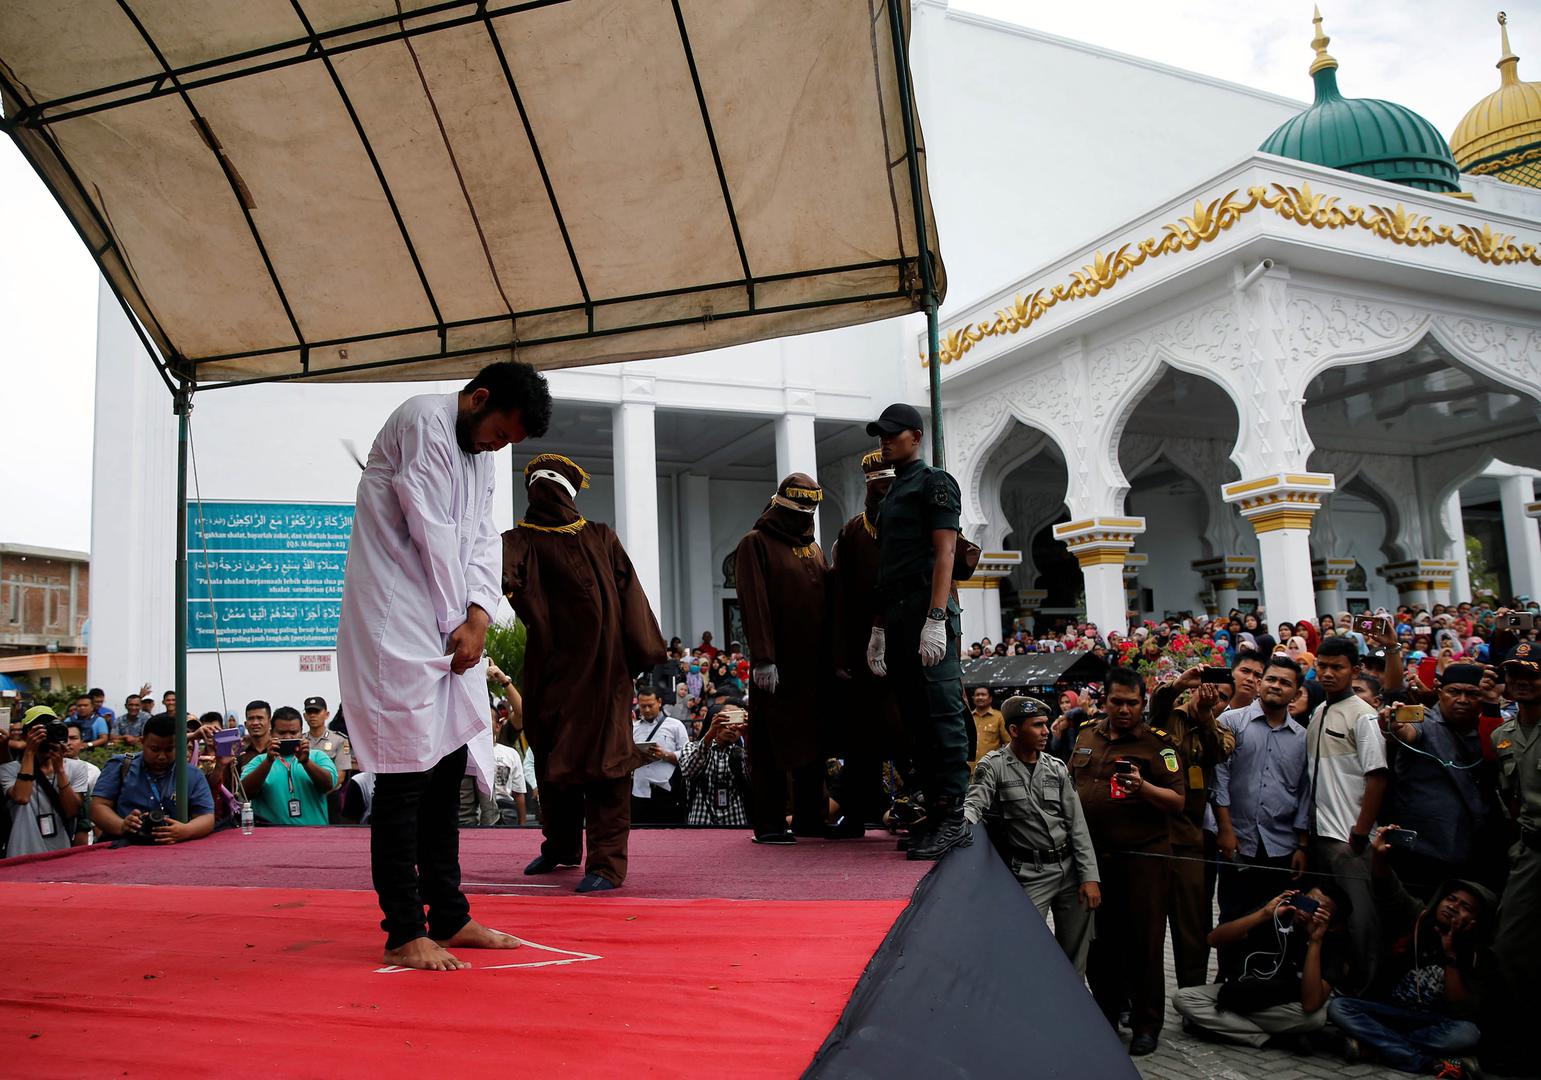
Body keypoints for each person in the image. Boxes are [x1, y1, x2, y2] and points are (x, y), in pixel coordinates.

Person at [338, 360, 548, 970]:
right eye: (498, 434)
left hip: (455, 621)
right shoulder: (425, 419)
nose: (496, 448)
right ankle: (404, 928)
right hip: (396, 618)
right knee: (405, 777)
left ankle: (449, 917)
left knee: (449, 764)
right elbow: (430, 529)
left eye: (507, 443)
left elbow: (482, 536)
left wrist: (480, 616)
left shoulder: (480, 451)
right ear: (477, 398)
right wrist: (463, 622)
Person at [504, 452, 666, 894]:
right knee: (553, 760)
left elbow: (630, 593)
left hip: (604, 673)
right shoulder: (518, 540)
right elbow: (494, 576)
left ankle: (607, 864)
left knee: (607, 766)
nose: (546, 489)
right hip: (551, 672)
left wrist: (641, 655)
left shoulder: (600, 535)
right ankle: (559, 846)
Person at [864, 402, 971, 862]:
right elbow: (887, 568)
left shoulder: (935, 483)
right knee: (915, 718)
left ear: (916, 436)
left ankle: (953, 816)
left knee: (942, 714)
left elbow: (945, 554)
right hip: (898, 610)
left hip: (927, 607)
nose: (884, 441)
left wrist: (936, 617)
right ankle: (933, 807)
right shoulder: (893, 493)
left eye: (892, 434)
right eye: (880, 436)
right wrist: (879, 627)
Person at [1071, 666, 1186, 1056]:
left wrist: (1145, 787)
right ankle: (1105, 1014)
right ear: (1104, 700)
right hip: (1095, 860)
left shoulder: (1159, 744)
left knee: (1145, 943)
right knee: (1102, 943)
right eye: (1116, 701)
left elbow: (1177, 801)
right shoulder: (1087, 734)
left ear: (1143, 702)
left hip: (1144, 860)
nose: (1123, 709)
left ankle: (1146, 1023)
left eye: (1132, 703)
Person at [1325, 827, 1493, 1077]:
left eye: (1465, 906)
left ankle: (1376, 1047)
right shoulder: (1419, 918)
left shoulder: (1479, 954)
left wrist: (1451, 954)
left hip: (1432, 1023)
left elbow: (1461, 1009)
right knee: (1339, 1007)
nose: (1453, 907)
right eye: (1451, 899)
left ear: (1476, 921)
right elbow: (1388, 889)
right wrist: (1380, 857)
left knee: (1468, 1033)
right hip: (1389, 1012)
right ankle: (1431, 1063)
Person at [964, 696, 1100, 975]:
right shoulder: (994, 766)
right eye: (1037, 725)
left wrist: (1089, 877)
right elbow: (974, 805)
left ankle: (1068, 1011)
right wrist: (962, 825)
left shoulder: (1056, 768)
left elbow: (1077, 826)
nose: (1045, 731)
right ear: (1014, 730)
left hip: (1070, 871)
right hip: (1029, 872)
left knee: (1075, 958)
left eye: (1045, 724)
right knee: (1021, 949)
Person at [733, 472, 831, 844]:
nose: (805, 517)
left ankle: (811, 817)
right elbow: (753, 602)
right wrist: (763, 657)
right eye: (799, 510)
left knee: (813, 744)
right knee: (772, 744)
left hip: (813, 667)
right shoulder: (755, 543)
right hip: (777, 665)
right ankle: (770, 823)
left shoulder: (813, 547)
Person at [828, 447, 905, 838]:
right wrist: (842, 654)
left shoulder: (916, 526)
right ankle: (856, 814)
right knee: (860, 738)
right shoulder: (853, 533)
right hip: (862, 657)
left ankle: (916, 811)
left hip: (907, 650)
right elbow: (840, 597)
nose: (883, 498)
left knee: (907, 733)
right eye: (877, 492)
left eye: (890, 490)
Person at [1307, 635, 1390, 993]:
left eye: (1337, 667)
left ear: (1354, 669)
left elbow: (1377, 777)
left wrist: (1360, 831)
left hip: (1349, 839)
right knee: (1329, 919)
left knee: (1363, 923)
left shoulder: (1364, 715)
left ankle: (1366, 995)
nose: (1327, 673)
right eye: (1322, 666)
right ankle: (1332, 990)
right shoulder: (1319, 711)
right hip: (1320, 834)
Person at [1174, 885, 1347, 1048]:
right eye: (1306, 901)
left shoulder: (1330, 943)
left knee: (1315, 1018)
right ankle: (1276, 1039)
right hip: (1243, 991)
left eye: (1316, 909)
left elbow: (1310, 1004)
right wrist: (1263, 914)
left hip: (1282, 1005)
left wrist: (1315, 941)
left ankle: (1229, 1026)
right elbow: (1214, 940)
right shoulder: (1278, 915)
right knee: (1183, 998)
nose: (1304, 910)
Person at [1384, 663, 1505, 896]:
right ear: (1440, 693)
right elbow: (1406, 732)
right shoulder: (1423, 719)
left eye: (1471, 694)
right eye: (1454, 692)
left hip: (1474, 850)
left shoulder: (1492, 728)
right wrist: (1394, 726)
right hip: (1423, 850)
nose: (1462, 699)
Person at [1150, 668, 1232, 989]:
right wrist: (1178, 684)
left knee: (1192, 927)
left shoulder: (1220, 730)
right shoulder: (1169, 717)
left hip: (1189, 839)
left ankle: (1192, 999)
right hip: (1153, 834)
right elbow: (1156, 706)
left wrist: (1205, 716)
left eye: (1223, 696)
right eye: (1208, 689)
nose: (1214, 697)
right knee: (1148, 925)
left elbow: (1219, 752)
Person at [1490, 640, 1541, 1013]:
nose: (1522, 681)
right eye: (1515, 673)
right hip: (1530, 851)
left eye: (1532, 674)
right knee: (1510, 945)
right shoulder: (1501, 736)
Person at [91, 714, 216, 845]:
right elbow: (98, 807)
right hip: (124, 847)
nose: (161, 757)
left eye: (169, 749)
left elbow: (206, 817)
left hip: (174, 849)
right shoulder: (120, 766)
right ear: (142, 741)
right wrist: (122, 825)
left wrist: (185, 830)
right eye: (154, 749)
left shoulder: (192, 774)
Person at [0, 708, 92, 857]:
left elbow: (71, 811)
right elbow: (22, 797)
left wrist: (60, 769)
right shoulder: (8, 770)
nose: (43, 735)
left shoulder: (76, 767)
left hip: (59, 857)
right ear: (25, 735)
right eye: (37, 730)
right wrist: (29, 751)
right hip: (21, 854)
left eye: (48, 727)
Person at [239, 706, 337, 826]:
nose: (287, 737)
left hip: (314, 836)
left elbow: (328, 785)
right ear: (271, 733)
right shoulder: (259, 761)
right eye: (281, 733)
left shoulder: (317, 756)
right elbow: (245, 792)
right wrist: (268, 762)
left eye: (293, 732)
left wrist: (306, 762)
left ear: (301, 732)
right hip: (270, 838)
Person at [679, 704, 752, 827]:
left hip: (735, 822)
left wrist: (748, 736)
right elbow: (688, 771)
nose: (733, 727)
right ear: (715, 720)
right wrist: (710, 734)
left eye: (738, 722)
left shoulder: (742, 753)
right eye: (727, 719)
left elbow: (753, 779)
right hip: (701, 821)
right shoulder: (691, 747)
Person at [631, 686, 689, 824]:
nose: (646, 710)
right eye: (642, 706)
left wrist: (666, 755)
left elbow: (687, 753)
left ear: (659, 702)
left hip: (668, 793)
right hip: (639, 792)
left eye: (650, 705)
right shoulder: (633, 728)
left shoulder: (676, 725)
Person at [968, 686, 1008, 769]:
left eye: (983, 695)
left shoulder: (999, 717)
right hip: (969, 769)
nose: (980, 697)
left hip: (991, 768)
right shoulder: (968, 717)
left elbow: (1008, 743)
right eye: (977, 695)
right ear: (973, 698)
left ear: (990, 698)